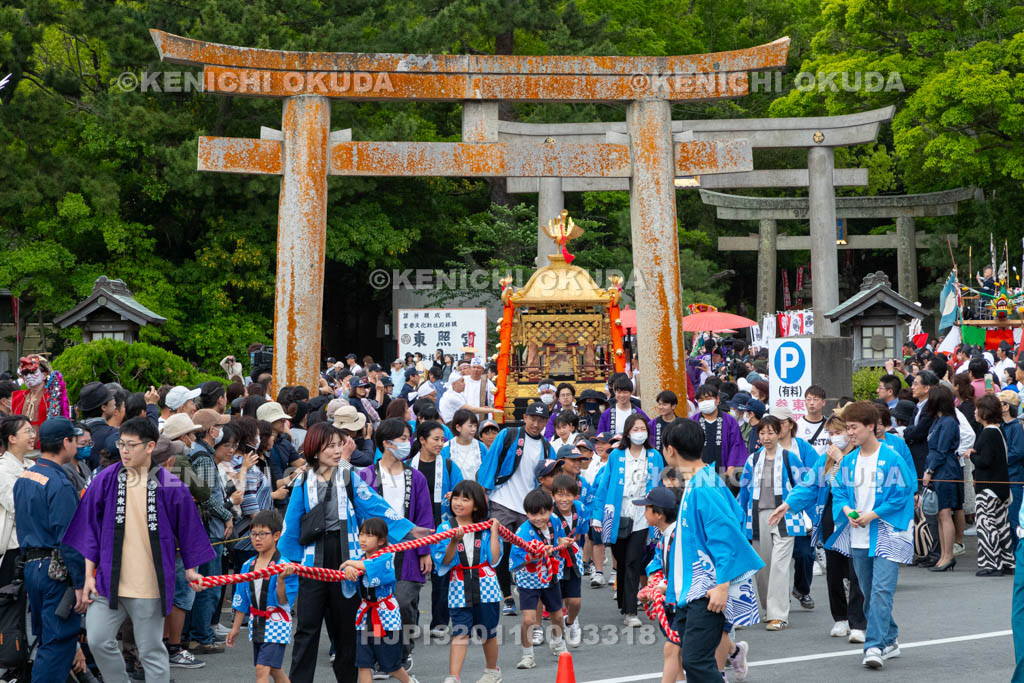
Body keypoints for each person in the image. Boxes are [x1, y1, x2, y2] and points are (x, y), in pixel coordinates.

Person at [63, 417, 215, 681]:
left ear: (150, 446)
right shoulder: (105, 479)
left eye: (131, 445)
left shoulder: (170, 484)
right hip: (108, 581)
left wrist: (191, 570)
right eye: (121, 444)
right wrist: (88, 575)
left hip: (149, 585)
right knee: (98, 640)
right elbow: (89, 529)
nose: (124, 451)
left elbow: (189, 529)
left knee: (151, 651)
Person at [279, 422, 426, 683]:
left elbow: (374, 505)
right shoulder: (302, 480)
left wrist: (409, 529)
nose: (338, 451)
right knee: (306, 629)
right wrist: (286, 561)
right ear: (315, 449)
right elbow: (292, 525)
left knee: (346, 629)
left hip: (347, 556)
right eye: (331, 446)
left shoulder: (349, 477)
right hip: (312, 558)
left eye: (339, 445)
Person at [663, 419, 763, 682]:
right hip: (694, 587)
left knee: (696, 661)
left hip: (706, 588)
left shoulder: (703, 485)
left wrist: (722, 585)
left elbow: (726, 536)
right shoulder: (701, 480)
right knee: (692, 659)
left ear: (670, 450)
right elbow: (735, 518)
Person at [823, 401, 916, 670]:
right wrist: (848, 511)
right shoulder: (849, 460)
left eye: (854, 427)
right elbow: (839, 491)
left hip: (888, 532)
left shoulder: (891, 458)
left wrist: (872, 515)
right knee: (867, 591)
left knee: (881, 591)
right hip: (859, 534)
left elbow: (902, 493)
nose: (849, 433)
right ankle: (890, 637)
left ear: (871, 427)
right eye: (848, 428)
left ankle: (874, 645)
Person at [771, 412, 866, 643]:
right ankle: (840, 618)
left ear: (850, 431)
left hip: (856, 517)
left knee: (856, 572)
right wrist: (788, 504)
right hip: (830, 517)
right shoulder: (825, 458)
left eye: (838, 432)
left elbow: (858, 483)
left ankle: (858, 623)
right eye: (831, 434)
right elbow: (809, 485)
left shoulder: (861, 456)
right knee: (834, 571)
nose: (834, 438)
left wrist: (842, 461)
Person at [14, 417, 87, 681]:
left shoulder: (26, 476)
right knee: (58, 642)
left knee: (47, 639)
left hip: (32, 567)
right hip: (55, 572)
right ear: (65, 442)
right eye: (75, 439)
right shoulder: (59, 482)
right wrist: (80, 583)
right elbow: (69, 538)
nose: (78, 445)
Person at [360, 419, 434, 674]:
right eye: (402, 438)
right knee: (376, 604)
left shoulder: (416, 477)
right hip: (375, 550)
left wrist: (425, 551)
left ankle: (403, 653)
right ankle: (382, 657)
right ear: (386, 442)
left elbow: (424, 516)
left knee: (403, 603)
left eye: (408, 438)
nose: (407, 443)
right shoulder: (366, 476)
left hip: (408, 549)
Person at [478, 401, 555, 617]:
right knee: (502, 550)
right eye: (533, 419)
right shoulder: (509, 435)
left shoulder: (547, 447)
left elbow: (549, 478)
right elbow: (490, 462)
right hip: (502, 500)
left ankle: (527, 591)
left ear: (546, 422)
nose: (536, 424)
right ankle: (507, 597)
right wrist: (484, 492)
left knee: (528, 550)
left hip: (529, 507)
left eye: (541, 420)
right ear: (525, 418)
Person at [590, 414, 664, 627]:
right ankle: (624, 600)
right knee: (621, 560)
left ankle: (631, 611)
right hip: (618, 511)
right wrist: (597, 516)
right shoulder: (617, 455)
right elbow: (604, 485)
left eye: (643, 429)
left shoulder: (654, 456)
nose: (639, 433)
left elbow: (659, 486)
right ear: (628, 433)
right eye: (635, 429)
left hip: (643, 512)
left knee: (633, 560)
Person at [737, 416, 809, 631]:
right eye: (762, 433)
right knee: (763, 567)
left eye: (770, 432)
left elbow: (804, 486)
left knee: (779, 565)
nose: (766, 437)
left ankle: (778, 614)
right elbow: (744, 491)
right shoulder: (753, 460)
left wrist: (794, 506)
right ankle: (769, 609)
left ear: (779, 433)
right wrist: (740, 518)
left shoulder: (790, 457)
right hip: (757, 516)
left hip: (785, 515)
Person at [432, 481, 503, 683]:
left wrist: (495, 533)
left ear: (477, 505)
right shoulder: (445, 528)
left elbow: (494, 559)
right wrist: (453, 542)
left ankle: (492, 671)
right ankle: (454, 676)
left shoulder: (487, 527)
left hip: (487, 587)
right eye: (456, 498)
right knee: (460, 632)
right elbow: (445, 561)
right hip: (459, 586)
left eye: (465, 499)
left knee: (487, 633)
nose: (458, 503)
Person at [341, 518, 419, 683]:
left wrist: (349, 564)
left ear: (382, 540)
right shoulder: (359, 559)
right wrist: (349, 569)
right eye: (361, 534)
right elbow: (354, 576)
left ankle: (409, 681)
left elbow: (370, 566)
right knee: (363, 663)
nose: (363, 539)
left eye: (369, 535)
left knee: (392, 666)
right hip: (365, 614)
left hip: (385, 616)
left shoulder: (386, 557)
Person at [225, 508, 298, 683]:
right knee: (274, 669)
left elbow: (283, 601)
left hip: (277, 622)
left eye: (263, 534)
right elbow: (241, 599)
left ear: (276, 535)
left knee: (262, 669)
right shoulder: (247, 566)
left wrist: (281, 579)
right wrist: (235, 628)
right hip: (256, 623)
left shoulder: (285, 566)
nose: (257, 538)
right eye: (254, 534)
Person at [186, 408, 235, 654]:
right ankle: (201, 637)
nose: (221, 431)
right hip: (210, 528)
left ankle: (198, 633)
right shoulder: (204, 457)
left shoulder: (198, 452)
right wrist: (227, 515)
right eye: (219, 427)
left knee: (205, 584)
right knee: (209, 585)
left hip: (205, 527)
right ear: (211, 430)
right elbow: (205, 496)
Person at [511, 488, 571, 669]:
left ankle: (558, 643)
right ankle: (527, 654)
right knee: (529, 619)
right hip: (529, 579)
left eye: (542, 513)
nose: (538, 518)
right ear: (526, 513)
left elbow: (560, 538)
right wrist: (533, 555)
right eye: (533, 514)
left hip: (550, 575)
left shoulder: (555, 521)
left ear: (551, 510)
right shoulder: (522, 532)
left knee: (558, 615)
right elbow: (516, 559)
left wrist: (562, 543)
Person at [636, 485, 686, 683]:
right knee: (676, 651)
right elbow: (658, 560)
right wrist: (654, 577)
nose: (644, 512)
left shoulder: (678, 537)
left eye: (647, 508)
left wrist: (665, 587)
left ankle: (733, 652)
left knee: (671, 648)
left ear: (659, 514)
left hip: (683, 602)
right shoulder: (664, 536)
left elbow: (684, 571)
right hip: (673, 601)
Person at [971, 395, 1015, 576]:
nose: (975, 412)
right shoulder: (999, 430)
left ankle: (992, 563)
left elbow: (985, 461)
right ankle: (1007, 561)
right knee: (1001, 525)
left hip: (988, 488)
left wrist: (971, 454)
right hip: (1001, 486)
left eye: (977, 409)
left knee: (986, 525)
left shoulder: (988, 432)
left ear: (984, 412)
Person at [922, 385, 961, 571]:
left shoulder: (948, 422)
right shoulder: (939, 421)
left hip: (944, 470)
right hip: (939, 468)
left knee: (945, 513)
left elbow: (942, 449)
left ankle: (948, 556)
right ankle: (943, 556)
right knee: (939, 513)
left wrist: (929, 471)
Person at [551, 472, 589, 648]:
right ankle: (557, 636)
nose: (564, 499)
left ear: (575, 496)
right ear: (553, 495)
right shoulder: (549, 512)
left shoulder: (580, 508)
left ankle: (571, 622)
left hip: (572, 555)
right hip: (554, 558)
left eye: (568, 495)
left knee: (575, 601)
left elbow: (581, 534)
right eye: (560, 494)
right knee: (556, 601)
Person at [0, 416, 34, 584]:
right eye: (27, 431)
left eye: (32, 431)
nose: (33, 435)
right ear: (12, 438)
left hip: (31, 544)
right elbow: (17, 506)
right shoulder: (3, 469)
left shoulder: (31, 465)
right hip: (13, 547)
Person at [691, 384, 749, 483]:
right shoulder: (692, 422)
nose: (705, 402)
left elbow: (736, 445)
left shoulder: (729, 421)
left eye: (708, 398)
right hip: (698, 473)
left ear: (717, 399)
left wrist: (731, 468)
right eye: (701, 400)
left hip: (724, 472)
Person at [10, 354, 70, 434]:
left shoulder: (54, 397)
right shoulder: (17, 397)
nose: (28, 376)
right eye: (25, 373)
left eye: (33, 372)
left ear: (44, 375)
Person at [998, 390, 1024, 535]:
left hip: (1014, 478)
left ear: (1006, 406)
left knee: (1013, 520)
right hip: (1004, 477)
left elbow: (1017, 452)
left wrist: (998, 461)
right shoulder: (1001, 426)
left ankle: (1015, 548)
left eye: (999, 404)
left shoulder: (1016, 427)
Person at [444, 409, 486, 484]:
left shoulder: (481, 447)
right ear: (458, 427)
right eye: (470, 426)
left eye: (475, 426)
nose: (474, 429)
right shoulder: (446, 448)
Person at [796, 385, 831, 456]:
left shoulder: (830, 424)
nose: (811, 403)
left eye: (815, 399)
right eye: (808, 399)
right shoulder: (798, 425)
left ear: (823, 402)